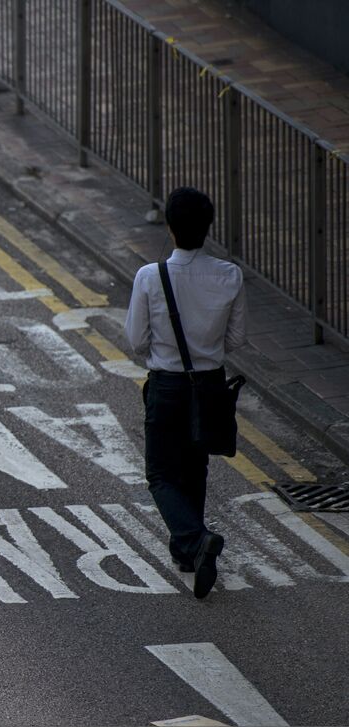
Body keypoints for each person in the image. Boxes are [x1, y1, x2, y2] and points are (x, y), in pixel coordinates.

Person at [125, 186, 247, 599]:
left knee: (160, 473)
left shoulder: (150, 277)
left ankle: (195, 541)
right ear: (208, 227)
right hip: (210, 385)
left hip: (167, 385)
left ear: (170, 228)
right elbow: (237, 338)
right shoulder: (230, 276)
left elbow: (136, 340)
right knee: (196, 467)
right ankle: (187, 551)